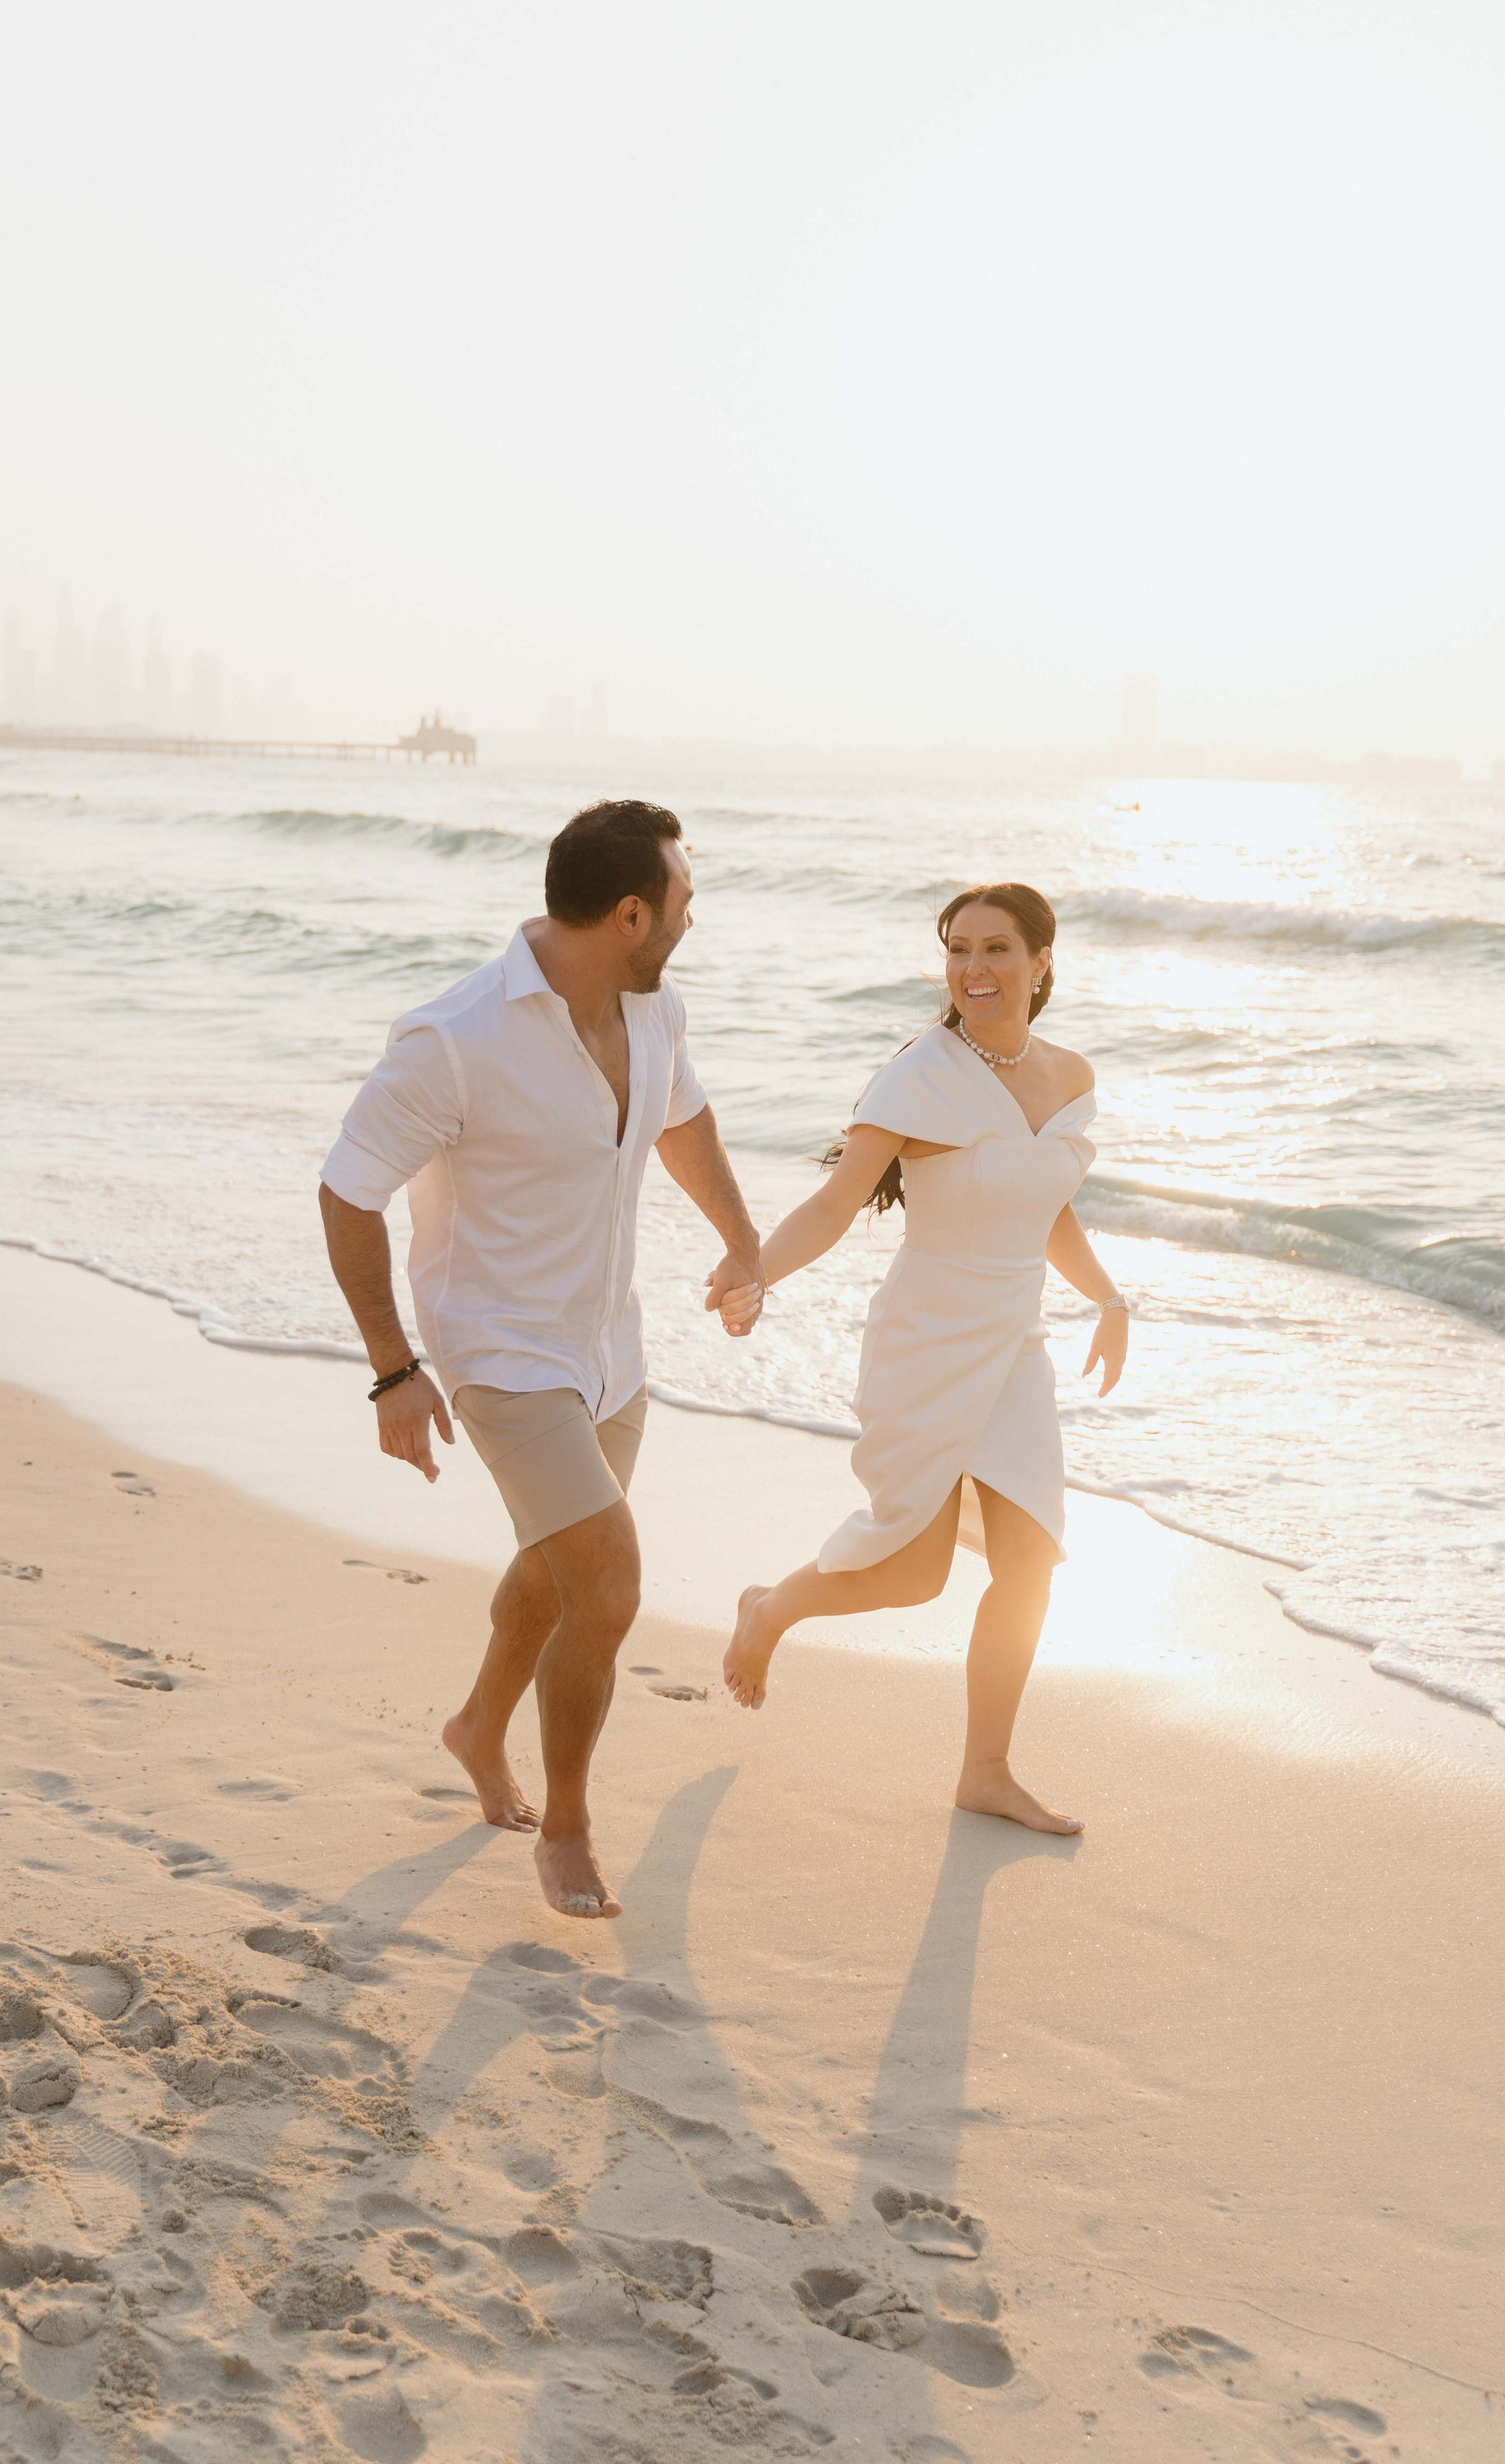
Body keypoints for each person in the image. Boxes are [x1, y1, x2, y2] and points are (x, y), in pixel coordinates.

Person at [319, 798, 760, 1921]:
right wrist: (394, 1367)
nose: (689, 925)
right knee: (607, 1585)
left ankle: (476, 1724)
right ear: (626, 914)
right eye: (682, 906)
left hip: (609, 1346)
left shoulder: (653, 1013)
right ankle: (565, 1828)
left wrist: (740, 1238)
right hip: (501, 1352)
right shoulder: (456, 1036)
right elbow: (348, 1187)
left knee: (555, 1577)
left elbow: (683, 1123)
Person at [708, 883, 1126, 1835]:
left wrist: (1109, 1296)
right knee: (912, 1572)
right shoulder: (919, 1074)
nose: (973, 970)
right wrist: (751, 1271)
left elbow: (1046, 1202)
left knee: (1032, 1566)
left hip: (1015, 1348)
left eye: (996, 950)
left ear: (1041, 962)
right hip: (928, 1341)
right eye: (957, 951)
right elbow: (833, 1206)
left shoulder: (1067, 1076)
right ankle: (771, 1608)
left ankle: (986, 1771)